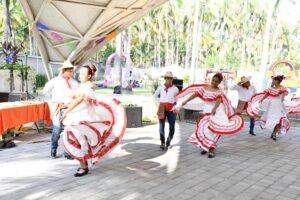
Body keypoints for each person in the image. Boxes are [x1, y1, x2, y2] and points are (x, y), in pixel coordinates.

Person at [60, 64, 127, 177]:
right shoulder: (83, 86)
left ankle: (83, 166)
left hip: (82, 120)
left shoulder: (86, 88)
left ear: (89, 76)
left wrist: (66, 111)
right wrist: (66, 105)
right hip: (78, 119)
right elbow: (76, 99)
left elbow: (78, 100)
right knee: (76, 140)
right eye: (80, 73)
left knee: (77, 141)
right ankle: (83, 164)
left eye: (83, 74)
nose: (80, 75)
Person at [176, 73, 244, 158]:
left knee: (214, 130)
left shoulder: (218, 91)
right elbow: (196, 94)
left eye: (216, 81)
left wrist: (214, 109)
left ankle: (212, 149)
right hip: (206, 110)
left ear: (219, 83)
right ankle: (206, 147)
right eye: (213, 80)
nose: (214, 82)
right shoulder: (205, 88)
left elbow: (218, 101)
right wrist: (186, 100)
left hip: (215, 111)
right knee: (205, 129)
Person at [43, 60, 79, 159]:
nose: (71, 73)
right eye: (69, 71)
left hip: (69, 109)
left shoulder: (74, 83)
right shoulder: (55, 81)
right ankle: (53, 149)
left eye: (72, 71)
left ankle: (67, 152)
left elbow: (77, 95)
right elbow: (45, 90)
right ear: (63, 71)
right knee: (56, 130)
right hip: (58, 109)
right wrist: (54, 101)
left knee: (68, 131)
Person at [247, 75, 300, 141]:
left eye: (273, 80)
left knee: (279, 120)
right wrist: (261, 100)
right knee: (272, 120)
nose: (272, 81)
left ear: (277, 81)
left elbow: (284, 96)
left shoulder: (282, 88)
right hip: (272, 106)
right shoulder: (271, 88)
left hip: (279, 106)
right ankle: (273, 132)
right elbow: (266, 95)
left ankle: (274, 133)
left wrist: (283, 99)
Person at [154, 71, 179, 150]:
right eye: (167, 78)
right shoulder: (160, 87)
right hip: (162, 108)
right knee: (161, 125)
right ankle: (162, 142)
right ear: (164, 78)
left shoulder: (175, 89)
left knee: (172, 126)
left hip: (171, 109)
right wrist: (160, 102)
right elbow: (155, 96)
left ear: (172, 79)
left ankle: (168, 141)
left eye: (170, 78)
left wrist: (176, 107)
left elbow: (177, 99)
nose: (168, 79)